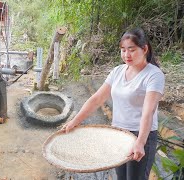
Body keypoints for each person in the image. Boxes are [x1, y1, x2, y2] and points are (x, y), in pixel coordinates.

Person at [62, 27, 165, 180]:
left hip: (141, 134)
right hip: (118, 133)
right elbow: (96, 99)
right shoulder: (117, 71)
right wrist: (74, 122)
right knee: (121, 177)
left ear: (144, 49)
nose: (126, 55)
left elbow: (148, 112)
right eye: (123, 50)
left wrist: (140, 142)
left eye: (131, 49)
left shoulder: (154, 75)